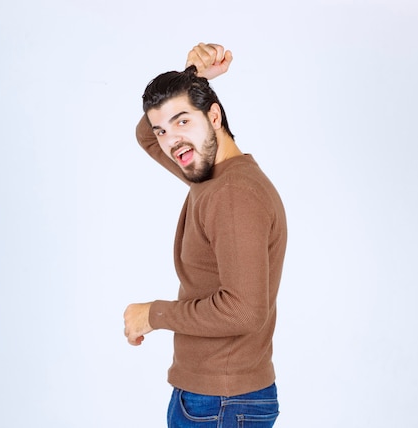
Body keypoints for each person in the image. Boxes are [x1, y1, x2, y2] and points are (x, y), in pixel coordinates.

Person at [123, 43, 287, 428]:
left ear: (214, 116)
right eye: (165, 129)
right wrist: (191, 78)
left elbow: (244, 309)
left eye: (183, 121)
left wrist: (154, 314)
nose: (170, 140)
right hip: (217, 399)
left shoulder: (232, 194)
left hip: (221, 403)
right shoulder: (210, 175)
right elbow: (144, 136)